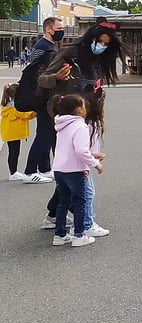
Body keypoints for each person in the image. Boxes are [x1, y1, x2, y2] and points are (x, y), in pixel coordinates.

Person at [38, 21, 123, 232]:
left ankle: (53, 214)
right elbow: (42, 79)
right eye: (99, 41)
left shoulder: (99, 59)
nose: (101, 46)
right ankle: (85, 222)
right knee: (78, 170)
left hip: (85, 118)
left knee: (70, 169)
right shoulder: (70, 53)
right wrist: (56, 78)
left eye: (106, 43)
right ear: (91, 37)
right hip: (64, 119)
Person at [50, 94, 102, 248]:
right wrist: (94, 163)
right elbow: (81, 151)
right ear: (79, 110)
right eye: (84, 107)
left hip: (60, 168)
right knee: (80, 201)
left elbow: (68, 149)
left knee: (63, 201)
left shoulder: (61, 125)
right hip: (74, 170)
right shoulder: (80, 126)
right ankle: (79, 235)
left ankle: (60, 235)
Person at [22, 16, 65, 182]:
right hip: (43, 96)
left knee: (47, 132)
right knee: (43, 133)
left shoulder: (46, 46)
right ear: (49, 29)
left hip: (42, 95)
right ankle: (30, 171)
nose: (61, 31)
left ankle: (45, 167)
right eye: (59, 28)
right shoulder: (45, 49)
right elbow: (39, 73)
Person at [3, 83, 35, 181]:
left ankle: (12, 171)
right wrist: (35, 112)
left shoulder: (8, 104)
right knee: (14, 153)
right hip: (14, 133)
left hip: (10, 132)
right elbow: (25, 114)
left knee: (13, 152)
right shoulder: (15, 106)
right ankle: (13, 172)